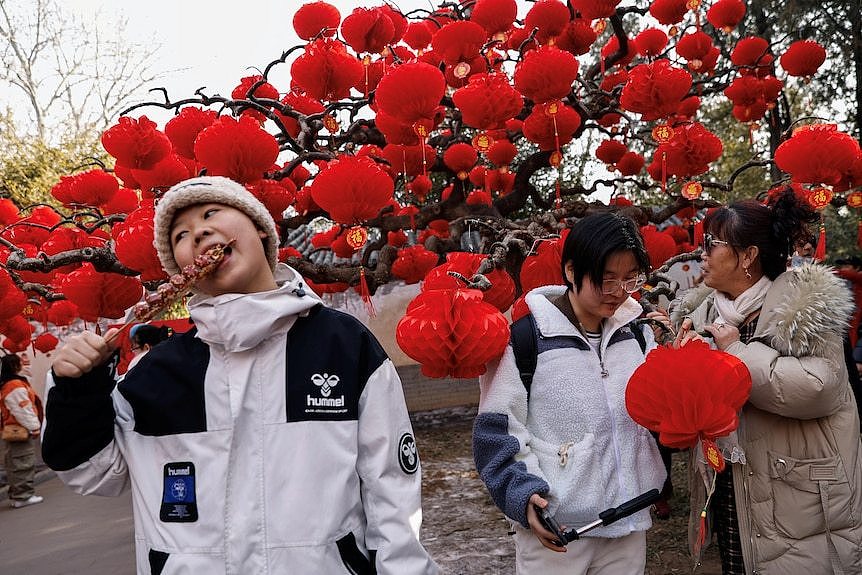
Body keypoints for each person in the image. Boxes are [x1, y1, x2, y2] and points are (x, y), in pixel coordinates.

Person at [42, 176, 438, 574]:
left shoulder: (343, 346)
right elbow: (95, 474)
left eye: (211, 213)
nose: (198, 232)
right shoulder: (156, 372)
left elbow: (391, 489)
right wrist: (78, 388)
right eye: (181, 235)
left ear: (260, 229)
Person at [671, 186, 862, 574]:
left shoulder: (804, 303)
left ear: (748, 256)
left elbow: (818, 387)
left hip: (799, 493)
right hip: (733, 483)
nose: (701, 253)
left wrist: (737, 354)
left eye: (712, 243)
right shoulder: (708, 311)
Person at [472, 212, 668, 575]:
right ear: (572, 271)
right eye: (606, 279)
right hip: (558, 533)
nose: (619, 293)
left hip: (629, 523)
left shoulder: (638, 337)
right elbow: (497, 430)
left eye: (630, 279)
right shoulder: (527, 340)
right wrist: (522, 493)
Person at [1, 352, 44, 508]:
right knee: (22, 462)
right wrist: (34, 427)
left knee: (15, 463)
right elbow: (23, 409)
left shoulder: (10, 383)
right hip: (19, 430)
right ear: (14, 366)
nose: (25, 362)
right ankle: (23, 496)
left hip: (12, 429)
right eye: (22, 361)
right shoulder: (15, 385)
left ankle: (18, 494)